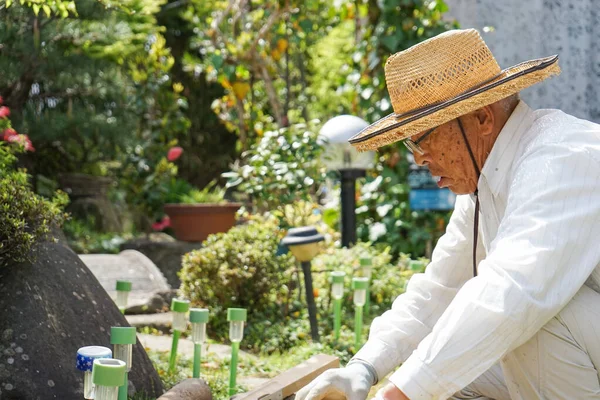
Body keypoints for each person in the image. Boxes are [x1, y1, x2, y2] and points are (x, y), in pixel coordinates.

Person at [295, 28, 600, 400]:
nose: (418, 158)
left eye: (423, 136)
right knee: (449, 364)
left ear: (483, 118)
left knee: (526, 321)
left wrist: (397, 395)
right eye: (410, 142)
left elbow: (511, 293)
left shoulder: (560, 157)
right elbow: (438, 289)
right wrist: (364, 368)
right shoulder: (483, 183)